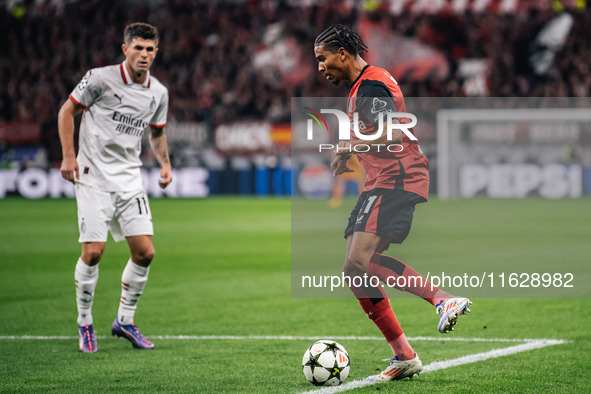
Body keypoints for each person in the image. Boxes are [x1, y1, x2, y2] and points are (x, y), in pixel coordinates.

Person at [314, 24, 471, 382]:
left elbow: (396, 130)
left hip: (396, 178)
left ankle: (441, 300)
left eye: (323, 59)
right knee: (356, 270)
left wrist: (352, 146)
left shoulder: (369, 85)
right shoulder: (362, 86)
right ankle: (404, 354)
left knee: (356, 263)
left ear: (342, 53)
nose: (320, 67)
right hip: (384, 180)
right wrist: (346, 150)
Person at [58, 22, 172, 353]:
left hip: (129, 179)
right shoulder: (99, 79)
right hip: (93, 176)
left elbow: (157, 132)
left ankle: (124, 320)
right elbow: (68, 111)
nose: (144, 55)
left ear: (156, 53)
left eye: (150, 49)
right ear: (125, 49)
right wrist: (68, 156)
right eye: (138, 48)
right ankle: (84, 323)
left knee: (145, 252)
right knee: (93, 252)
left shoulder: (158, 93)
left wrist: (165, 164)